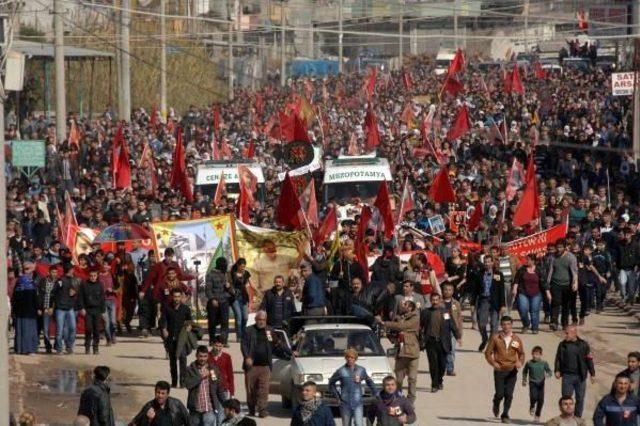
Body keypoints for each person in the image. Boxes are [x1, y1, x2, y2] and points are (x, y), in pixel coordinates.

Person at [241, 310, 291, 418]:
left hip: (265, 366)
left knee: (264, 390)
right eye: (259, 319)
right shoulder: (249, 330)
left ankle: (262, 410)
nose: (261, 322)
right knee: (251, 390)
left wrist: (290, 352)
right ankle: (251, 409)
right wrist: (247, 357)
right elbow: (243, 345)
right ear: (255, 320)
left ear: (266, 320)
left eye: (263, 320)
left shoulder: (269, 331)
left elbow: (278, 344)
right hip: (251, 367)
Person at [375, 299, 420, 402]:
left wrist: (384, 322)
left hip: (412, 352)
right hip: (401, 352)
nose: (402, 306)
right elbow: (393, 332)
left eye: (405, 305)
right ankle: (397, 398)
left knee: (412, 379)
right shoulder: (399, 317)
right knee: (398, 380)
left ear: (410, 308)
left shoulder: (415, 317)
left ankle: (410, 400)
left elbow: (402, 326)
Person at [484, 315, 525, 424]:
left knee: (509, 394)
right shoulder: (495, 338)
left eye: (508, 324)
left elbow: (521, 354)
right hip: (499, 369)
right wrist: (493, 363)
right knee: (500, 393)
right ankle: (496, 402)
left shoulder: (516, 339)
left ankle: (505, 414)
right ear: (501, 325)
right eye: (504, 324)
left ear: (511, 325)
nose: (506, 326)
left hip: (512, 370)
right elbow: (488, 353)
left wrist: (520, 362)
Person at [421, 293, 461, 392]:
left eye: (436, 300)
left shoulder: (446, 313)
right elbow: (420, 327)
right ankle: (434, 385)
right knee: (433, 364)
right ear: (430, 301)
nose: (434, 302)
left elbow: (452, 325)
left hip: (443, 342)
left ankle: (439, 380)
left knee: (442, 364)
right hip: (431, 341)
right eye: (433, 300)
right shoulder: (426, 312)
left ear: (440, 301)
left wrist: (458, 337)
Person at [553, 324, 595, 418]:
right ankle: (566, 418)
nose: (566, 335)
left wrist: (592, 373)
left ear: (574, 333)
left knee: (580, 398)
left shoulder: (583, 345)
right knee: (566, 400)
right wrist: (557, 370)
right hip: (567, 376)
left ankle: (577, 419)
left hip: (580, 376)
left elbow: (589, 359)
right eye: (565, 333)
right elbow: (558, 358)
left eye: (567, 333)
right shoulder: (562, 345)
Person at [328, 348, 377, 426]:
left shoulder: (361, 370)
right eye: (348, 357)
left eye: (352, 357)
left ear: (355, 359)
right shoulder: (341, 371)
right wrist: (337, 396)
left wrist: (376, 393)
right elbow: (331, 383)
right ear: (345, 358)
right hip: (345, 403)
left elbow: (369, 381)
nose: (350, 359)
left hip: (358, 403)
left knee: (359, 424)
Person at [183, 345, 228, 426]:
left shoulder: (213, 369)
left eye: (205, 356)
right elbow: (188, 385)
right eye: (200, 356)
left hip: (209, 408)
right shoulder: (190, 369)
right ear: (196, 356)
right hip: (195, 408)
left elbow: (218, 388)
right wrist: (201, 376)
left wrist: (226, 403)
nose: (202, 359)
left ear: (208, 356)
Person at [160, 288, 193, 388]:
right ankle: (174, 382)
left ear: (181, 297)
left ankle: (183, 382)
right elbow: (162, 320)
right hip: (171, 338)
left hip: (181, 338)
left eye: (179, 296)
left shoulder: (185, 309)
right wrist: (164, 329)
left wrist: (189, 326)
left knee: (183, 358)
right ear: (172, 297)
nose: (177, 299)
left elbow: (190, 321)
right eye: (175, 296)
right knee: (173, 360)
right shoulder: (167, 308)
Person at [473, 256, 505, 351]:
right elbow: (475, 290)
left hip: (495, 301)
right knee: (482, 324)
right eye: (485, 262)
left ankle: (491, 346)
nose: (487, 264)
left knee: (494, 325)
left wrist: (503, 305)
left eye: (488, 262)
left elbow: (501, 291)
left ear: (492, 263)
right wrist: (472, 303)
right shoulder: (479, 274)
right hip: (484, 300)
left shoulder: (498, 274)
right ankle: (484, 339)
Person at [547, 239, 579, 331]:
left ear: (565, 247)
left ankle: (564, 323)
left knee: (566, 305)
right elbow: (550, 271)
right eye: (557, 247)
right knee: (555, 303)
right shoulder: (553, 257)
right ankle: (554, 322)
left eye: (560, 247)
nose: (559, 249)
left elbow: (574, 272)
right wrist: (548, 285)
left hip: (567, 284)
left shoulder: (571, 257)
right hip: (555, 283)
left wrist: (575, 283)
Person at [511, 254, 547, 334]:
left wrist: (548, 293)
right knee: (523, 309)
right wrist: (514, 289)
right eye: (526, 259)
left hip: (536, 293)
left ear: (533, 261)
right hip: (523, 292)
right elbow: (516, 280)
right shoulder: (522, 269)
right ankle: (526, 324)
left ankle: (535, 327)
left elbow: (544, 282)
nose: (526, 261)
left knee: (534, 311)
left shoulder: (539, 270)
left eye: (528, 260)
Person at [12, 262, 40, 355]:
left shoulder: (31, 282)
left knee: (25, 330)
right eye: (26, 269)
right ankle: (28, 349)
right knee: (27, 330)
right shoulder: (24, 282)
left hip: (27, 311)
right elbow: (15, 298)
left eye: (28, 269)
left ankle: (21, 349)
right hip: (25, 311)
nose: (27, 271)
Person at [78, 270, 107, 355]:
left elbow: (102, 298)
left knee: (96, 330)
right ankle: (87, 347)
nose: (93, 277)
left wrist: (103, 310)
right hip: (88, 310)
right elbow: (80, 297)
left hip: (97, 310)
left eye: (94, 275)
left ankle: (95, 347)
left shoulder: (100, 285)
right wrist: (82, 308)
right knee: (89, 328)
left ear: (97, 276)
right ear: (89, 276)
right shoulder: (84, 284)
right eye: (91, 275)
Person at [52, 264, 79, 354]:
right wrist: (58, 302)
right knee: (59, 330)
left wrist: (74, 293)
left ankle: (69, 346)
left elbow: (75, 291)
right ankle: (59, 348)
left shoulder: (73, 280)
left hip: (70, 308)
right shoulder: (60, 280)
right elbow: (54, 292)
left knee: (73, 328)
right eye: (72, 270)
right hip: (60, 309)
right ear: (70, 270)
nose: (73, 271)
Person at [205, 257, 232, 346]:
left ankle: (224, 340)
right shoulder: (210, 274)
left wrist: (229, 287)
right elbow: (208, 289)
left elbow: (231, 288)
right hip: (214, 302)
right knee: (212, 321)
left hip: (225, 301)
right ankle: (212, 339)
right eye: (224, 264)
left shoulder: (227, 274)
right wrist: (212, 299)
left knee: (225, 321)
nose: (226, 266)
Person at [522, 346, 552, 423]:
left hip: (541, 383)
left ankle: (537, 416)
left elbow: (549, 371)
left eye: (538, 354)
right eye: (534, 354)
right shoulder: (529, 363)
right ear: (532, 354)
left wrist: (548, 375)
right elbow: (525, 372)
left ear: (541, 355)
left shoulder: (544, 363)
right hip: (532, 382)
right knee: (534, 397)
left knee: (541, 400)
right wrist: (524, 380)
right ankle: (532, 406)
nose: (536, 356)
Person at [441, 281, 463, 376]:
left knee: (451, 350)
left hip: (453, 331)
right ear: (442, 291)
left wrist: (459, 333)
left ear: (453, 291)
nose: (447, 291)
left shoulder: (456, 303)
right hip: (441, 330)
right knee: (442, 350)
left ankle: (450, 368)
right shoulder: (439, 302)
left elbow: (459, 318)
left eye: (449, 290)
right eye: (445, 289)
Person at [37, 265, 60, 353]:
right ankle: (48, 346)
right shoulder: (43, 281)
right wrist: (41, 308)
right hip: (45, 309)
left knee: (59, 328)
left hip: (55, 309)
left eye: (56, 272)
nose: (55, 274)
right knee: (46, 329)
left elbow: (58, 297)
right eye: (53, 272)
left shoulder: (58, 282)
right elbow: (39, 296)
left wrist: (53, 308)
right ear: (49, 272)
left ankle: (57, 345)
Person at [229, 258, 253, 342]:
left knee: (245, 317)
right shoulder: (232, 273)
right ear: (238, 265)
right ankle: (239, 337)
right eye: (242, 266)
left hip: (244, 297)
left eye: (244, 266)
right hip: (234, 297)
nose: (243, 268)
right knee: (239, 317)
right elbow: (229, 284)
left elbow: (250, 285)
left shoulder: (246, 273)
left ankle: (243, 335)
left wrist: (251, 300)